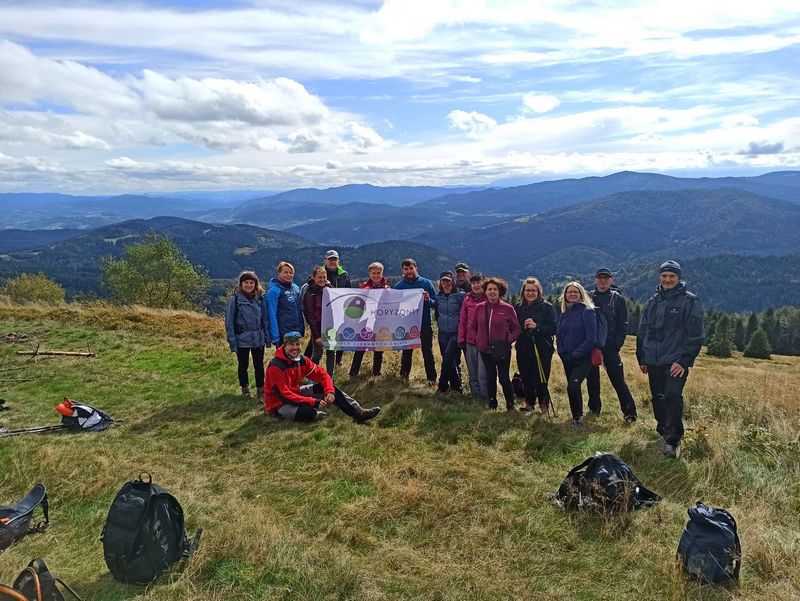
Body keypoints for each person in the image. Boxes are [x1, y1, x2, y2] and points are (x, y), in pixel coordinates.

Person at [636, 260, 704, 458]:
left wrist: (684, 361)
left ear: (678, 278)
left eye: (671, 276)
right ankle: (662, 431)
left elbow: (696, 336)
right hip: (653, 361)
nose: (667, 279)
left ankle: (672, 441)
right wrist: (642, 357)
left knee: (672, 396)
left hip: (675, 361)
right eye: (664, 276)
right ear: (660, 277)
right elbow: (642, 332)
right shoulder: (653, 301)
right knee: (658, 397)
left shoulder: (689, 301)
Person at [264, 332, 381, 424]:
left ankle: (358, 413)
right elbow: (284, 395)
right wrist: (312, 402)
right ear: (284, 346)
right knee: (307, 412)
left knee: (327, 388)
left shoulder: (302, 360)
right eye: (291, 345)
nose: (295, 348)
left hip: (296, 392)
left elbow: (322, 374)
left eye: (297, 344)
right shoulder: (276, 366)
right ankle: (313, 413)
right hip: (279, 404)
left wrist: (329, 391)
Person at [586, 268, 638, 423]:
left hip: (610, 347)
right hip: (592, 345)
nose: (603, 281)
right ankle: (594, 409)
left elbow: (623, 324)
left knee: (618, 380)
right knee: (592, 379)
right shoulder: (588, 297)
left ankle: (630, 414)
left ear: (611, 280)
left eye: (606, 279)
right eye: (600, 278)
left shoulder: (617, 298)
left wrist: (617, 345)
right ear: (595, 280)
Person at [469, 277, 521, 410]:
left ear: (500, 291)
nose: (492, 292)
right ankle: (492, 402)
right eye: (489, 289)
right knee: (490, 376)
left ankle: (510, 403)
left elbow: (517, 329)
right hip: (484, 349)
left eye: (495, 289)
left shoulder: (508, 308)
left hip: (502, 350)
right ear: (485, 291)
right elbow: (473, 326)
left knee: (504, 378)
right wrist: (477, 340)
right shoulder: (479, 308)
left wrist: (507, 340)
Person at [556, 281, 597, 427]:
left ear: (581, 294)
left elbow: (591, 338)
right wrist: (562, 353)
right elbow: (559, 335)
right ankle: (576, 416)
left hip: (583, 358)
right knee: (573, 387)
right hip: (567, 358)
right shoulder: (564, 313)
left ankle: (578, 419)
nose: (572, 294)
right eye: (569, 292)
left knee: (573, 385)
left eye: (575, 292)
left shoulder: (588, 311)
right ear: (565, 296)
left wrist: (576, 354)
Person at [514, 277, 557, 413]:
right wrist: (523, 326)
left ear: (539, 292)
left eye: (534, 290)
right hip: (523, 348)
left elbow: (553, 328)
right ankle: (529, 403)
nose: (530, 293)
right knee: (526, 376)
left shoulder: (547, 307)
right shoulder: (518, 307)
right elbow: (514, 327)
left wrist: (536, 327)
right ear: (523, 292)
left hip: (542, 348)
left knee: (541, 378)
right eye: (528, 290)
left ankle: (544, 404)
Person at [225, 271, 270, 397]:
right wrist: (232, 341)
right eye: (246, 282)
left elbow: (264, 320)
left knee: (259, 364)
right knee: (243, 364)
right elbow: (229, 322)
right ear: (241, 284)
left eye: (251, 282)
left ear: (256, 284)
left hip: (258, 336)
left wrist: (266, 337)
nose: (249, 285)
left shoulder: (260, 299)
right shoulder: (235, 300)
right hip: (242, 337)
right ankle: (245, 388)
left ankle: (261, 389)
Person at [394, 258, 438, 384]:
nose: (409, 271)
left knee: (427, 352)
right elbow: (394, 307)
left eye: (411, 268)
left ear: (416, 268)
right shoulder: (399, 286)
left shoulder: (426, 283)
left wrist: (428, 300)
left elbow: (436, 304)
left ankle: (432, 379)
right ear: (403, 270)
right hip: (407, 325)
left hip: (424, 324)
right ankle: (404, 377)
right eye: (406, 269)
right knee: (407, 352)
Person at [350, 262, 390, 378]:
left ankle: (376, 374)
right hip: (365, 322)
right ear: (369, 274)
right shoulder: (363, 287)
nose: (376, 275)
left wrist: (389, 293)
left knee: (378, 349)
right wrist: (363, 292)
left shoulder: (387, 288)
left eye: (378, 273)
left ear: (382, 274)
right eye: (374, 273)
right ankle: (353, 373)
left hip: (380, 322)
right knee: (361, 347)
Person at [458, 273, 488, 400]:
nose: (476, 285)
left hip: (484, 343)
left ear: (484, 283)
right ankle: (476, 398)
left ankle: (486, 397)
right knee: (473, 372)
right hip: (469, 342)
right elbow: (462, 320)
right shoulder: (467, 299)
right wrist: (461, 339)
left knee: (483, 373)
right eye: (473, 283)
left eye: (478, 282)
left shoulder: (489, 299)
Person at [435, 271, 465, 393]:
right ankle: (456, 386)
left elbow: (465, 311)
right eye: (443, 281)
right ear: (440, 282)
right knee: (448, 359)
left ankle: (442, 386)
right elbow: (436, 309)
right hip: (443, 332)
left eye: (448, 280)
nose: (445, 283)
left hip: (455, 332)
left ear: (452, 281)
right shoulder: (439, 297)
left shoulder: (460, 295)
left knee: (448, 358)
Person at [302, 266, 335, 376]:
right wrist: (316, 336)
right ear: (313, 278)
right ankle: (312, 376)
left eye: (324, 277)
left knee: (331, 353)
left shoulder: (330, 288)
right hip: (317, 326)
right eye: (319, 277)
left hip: (330, 327)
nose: (322, 279)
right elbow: (310, 316)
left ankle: (330, 378)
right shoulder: (309, 292)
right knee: (317, 354)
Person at [324, 249, 352, 368]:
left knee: (340, 337)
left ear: (338, 261)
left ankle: (337, 362)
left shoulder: (344, 275)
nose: (332, 262)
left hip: (341, 312)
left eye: (334, 259)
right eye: (330, 259)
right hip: (324, 313)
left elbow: (350, 291)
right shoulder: (320, 273)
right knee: (318, 338)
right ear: (325, 261)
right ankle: (309, 363)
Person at [266, 261, 304, 347]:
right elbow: (271, 314)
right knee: (283, 359)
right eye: (285, 272)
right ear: (279, 273)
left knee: (295, 357)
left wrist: (301, 329)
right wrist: (275, 336)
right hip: (283, 333)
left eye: (291, 272)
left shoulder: (296, 288)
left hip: (296, 331)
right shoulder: (273, 291)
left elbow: (299, 310)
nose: (289, 275)